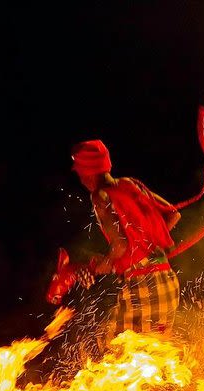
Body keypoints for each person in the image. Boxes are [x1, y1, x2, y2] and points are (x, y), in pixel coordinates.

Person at [71, 139, 181, 347]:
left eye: (79, 173)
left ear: (86, 172)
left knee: (116, 350)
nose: (81, 179)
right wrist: (146, 247)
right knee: (148, 357)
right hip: (166, 281)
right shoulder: (129, 184)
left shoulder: (99, 196)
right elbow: (173, 215)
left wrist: (106, 263)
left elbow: (120, 245)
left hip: (144, 286)